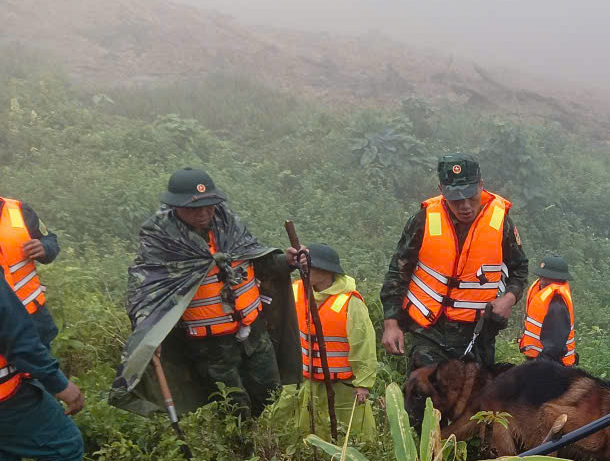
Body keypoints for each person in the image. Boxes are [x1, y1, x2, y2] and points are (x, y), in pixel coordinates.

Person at [110, 168, 303, 419]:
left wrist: (286, 262)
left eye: (209, 206)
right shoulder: (162, 240)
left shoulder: (229, 225)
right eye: (194, 208)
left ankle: (265, 445)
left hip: (253, 331)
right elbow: (146, 293)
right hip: (210, 344)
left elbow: (260, 264)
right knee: (233, 407)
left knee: (268, 393)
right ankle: (240, 451)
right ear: (175, 206)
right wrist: (149, 336)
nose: (203, 214)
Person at [380, 154, 529, 369]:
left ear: (481, 185)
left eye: (471, 196)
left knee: (475, 400)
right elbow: (398, 271)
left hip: (477, 335)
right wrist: (391, 323)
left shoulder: (501, 223)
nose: (465, 206)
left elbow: (519, 268)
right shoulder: (423, 220)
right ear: (442, 190)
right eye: (456, 199)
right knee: (424, 396)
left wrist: (509, 298)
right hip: (428, 331)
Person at [0, 282, 96, 461]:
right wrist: (61, 386)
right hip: (8, 399)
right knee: (61, 444)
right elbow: (19, 340)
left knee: (3, 456)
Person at [287, 244, 377, 441]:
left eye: (310, 267)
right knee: (307, 434)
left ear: (327, 271)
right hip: (308, 380)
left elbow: (364, 345)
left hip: (343, 385)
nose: (305, 271)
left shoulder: (350, 302)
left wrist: (363, 384)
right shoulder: (296, 290)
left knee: (352, 436)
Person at [0, 195, 62, 347]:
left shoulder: (19, 210)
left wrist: (44, 247)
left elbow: (50, 239)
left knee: (43, 368)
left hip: (33, 317)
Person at [518, 254, 577, 365]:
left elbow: (556, 347)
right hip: (542, 360)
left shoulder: (557, 303)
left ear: (559, 278)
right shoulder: (545, 295)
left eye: (547, 277)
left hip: (552, 365)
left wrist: (539, 365)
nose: (542, 280)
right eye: (541, 276)